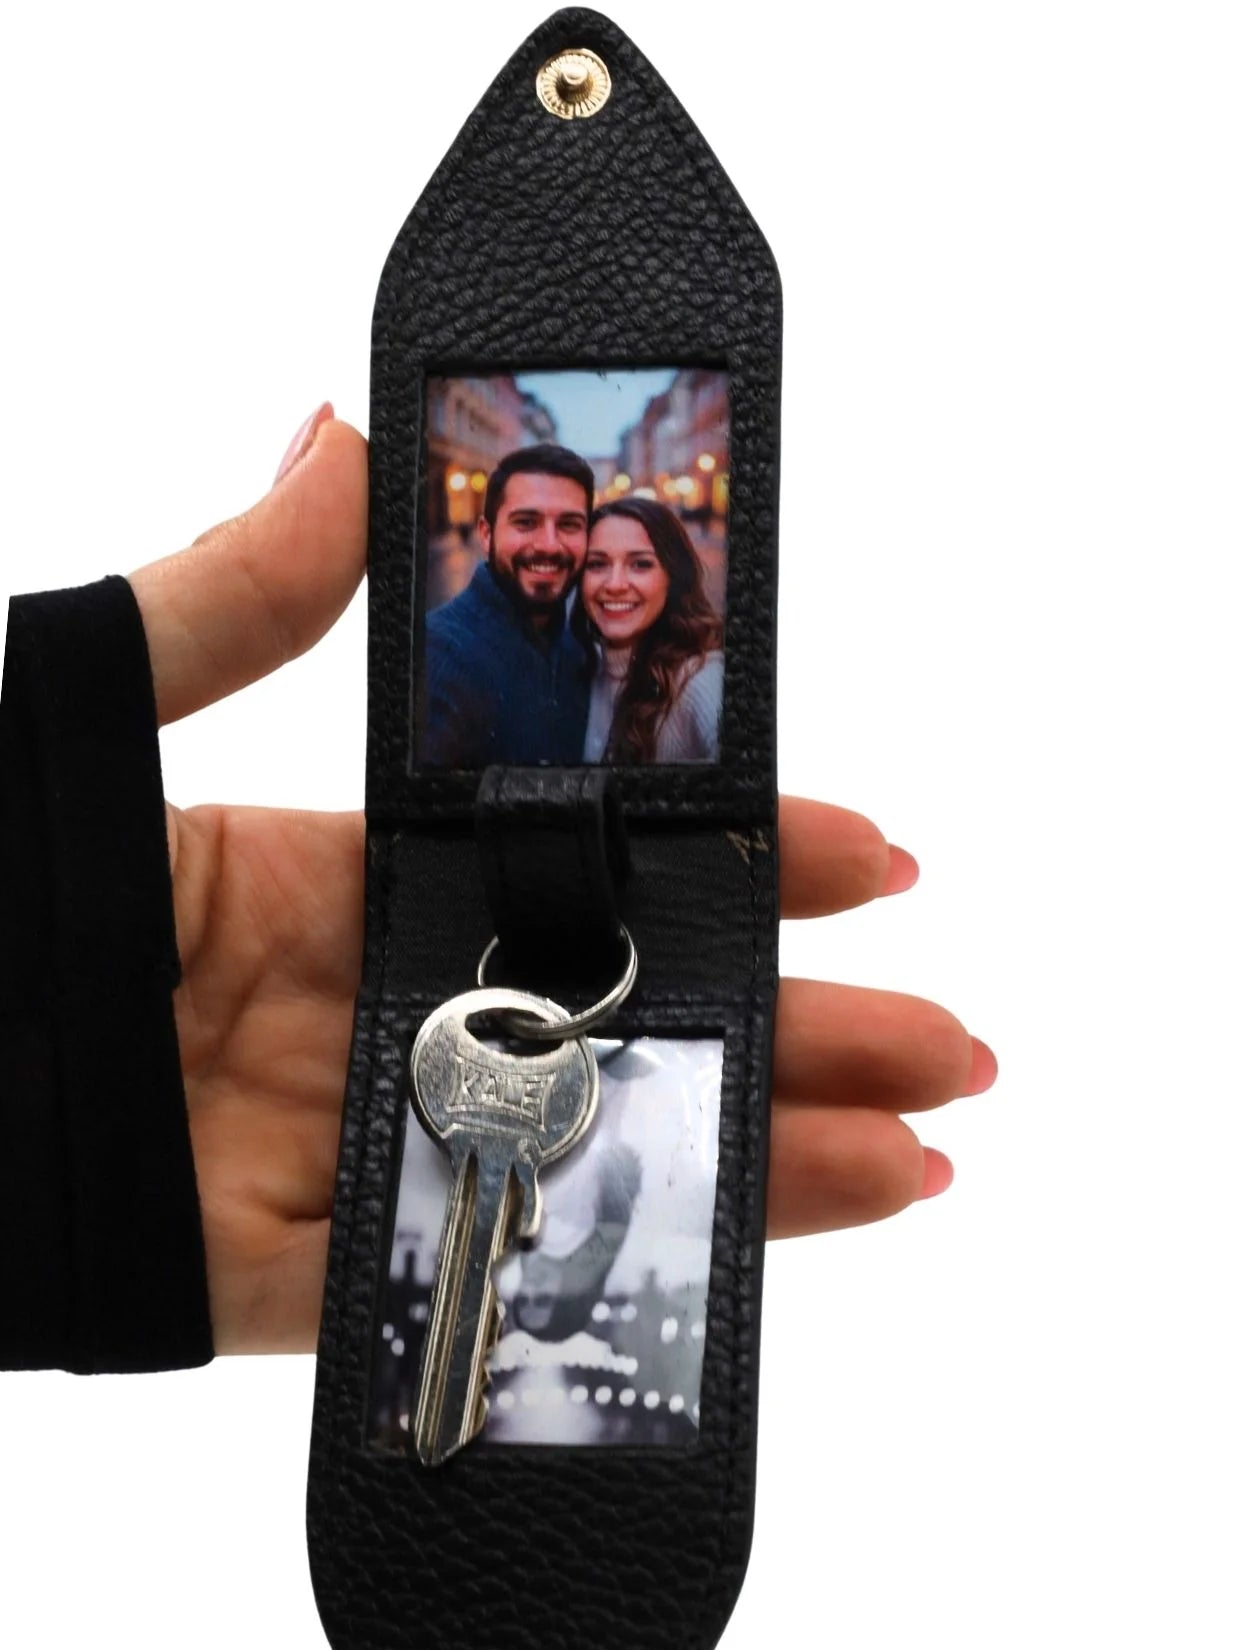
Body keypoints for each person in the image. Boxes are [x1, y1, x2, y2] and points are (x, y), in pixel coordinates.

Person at [1, 404, 996, 1369]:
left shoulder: (600, 653)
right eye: (530, 522)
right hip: (465, 961)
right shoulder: (453, 653)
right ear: (486, 531)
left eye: (576, 528)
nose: (559, 549)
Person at [423, 442, 595, 767]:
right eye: (526, 522)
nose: (549, 545)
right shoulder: (438, 655)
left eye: (569, 524)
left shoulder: (577, 648)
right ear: (486, 535)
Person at [578, 497, 724, 763]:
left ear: (673, 577)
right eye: (597, 564)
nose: (615, 584)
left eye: (640, 564)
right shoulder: (582, 668)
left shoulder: (699, 678)